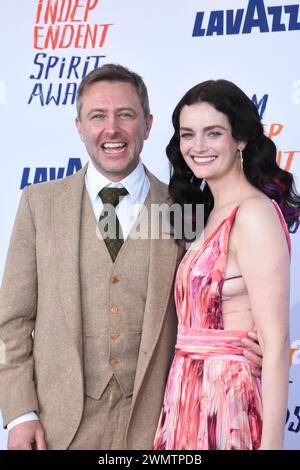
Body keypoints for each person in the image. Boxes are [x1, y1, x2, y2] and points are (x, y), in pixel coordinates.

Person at [0, 66, 262, 450]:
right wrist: (21, 413)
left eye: (125, 114)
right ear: (78, 126)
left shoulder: (185, 209)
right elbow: (11, 323)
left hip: (159, 428)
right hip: (56, 429)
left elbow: (208, 300)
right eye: (98, 116)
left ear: (148, 124)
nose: (112, 129)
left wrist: (240, 342)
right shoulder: (41, 205)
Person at [153, 79, 300, 450]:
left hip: (229, 404)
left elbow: (275, 340)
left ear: (241, 140)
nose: (197, 147)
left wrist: (272, 446)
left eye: (213, 133)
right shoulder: (209, 212)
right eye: (188, 134)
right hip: (186, 392)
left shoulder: (253, 214)